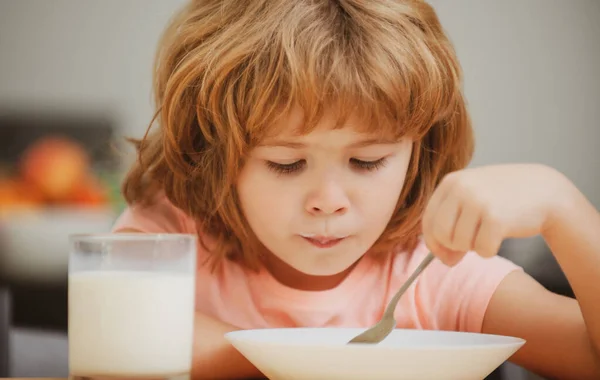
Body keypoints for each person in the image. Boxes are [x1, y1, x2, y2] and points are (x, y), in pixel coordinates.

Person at [113, 0, 600, 378]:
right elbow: (123, 339)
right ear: (211, 150)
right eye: (286, 163)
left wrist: (565, 209)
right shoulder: (172, 231)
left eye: (367, 161)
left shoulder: (433, 271)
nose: (328, 199)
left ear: (419, 149)